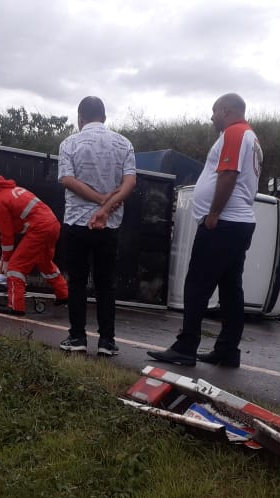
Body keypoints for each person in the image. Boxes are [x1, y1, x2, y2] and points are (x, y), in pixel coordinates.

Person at [148, 93, 262, 368]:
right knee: (230, 288)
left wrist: (213, 214)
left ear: (226, 110)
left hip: (224, 223)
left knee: (197, 284)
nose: (211, 117)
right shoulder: (251, 137)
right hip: (239, 223)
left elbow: (228, 175)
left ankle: (186, 346)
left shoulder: (235, 133)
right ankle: (227, 350)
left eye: (214, 112)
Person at [56, 96, 136, 355]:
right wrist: (106, 205)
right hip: (109, 224)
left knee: (77, 281)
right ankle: (107, 342)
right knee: (106, 283)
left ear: (80, 118)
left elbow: (67, 179)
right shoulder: (124, 143)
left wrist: (97, 200)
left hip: (76, 222)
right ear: (104, 117)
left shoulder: (69, 143)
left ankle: (77, 338)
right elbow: (129, 184)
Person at [0, 171, 68, 316]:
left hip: (40, 229)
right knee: (45, 262)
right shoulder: (15, 190)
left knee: (15, 268)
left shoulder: (0, 200)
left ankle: (16, 307)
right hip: (53, 225)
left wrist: (6, 260)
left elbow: (6, 235)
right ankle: (64, 294)